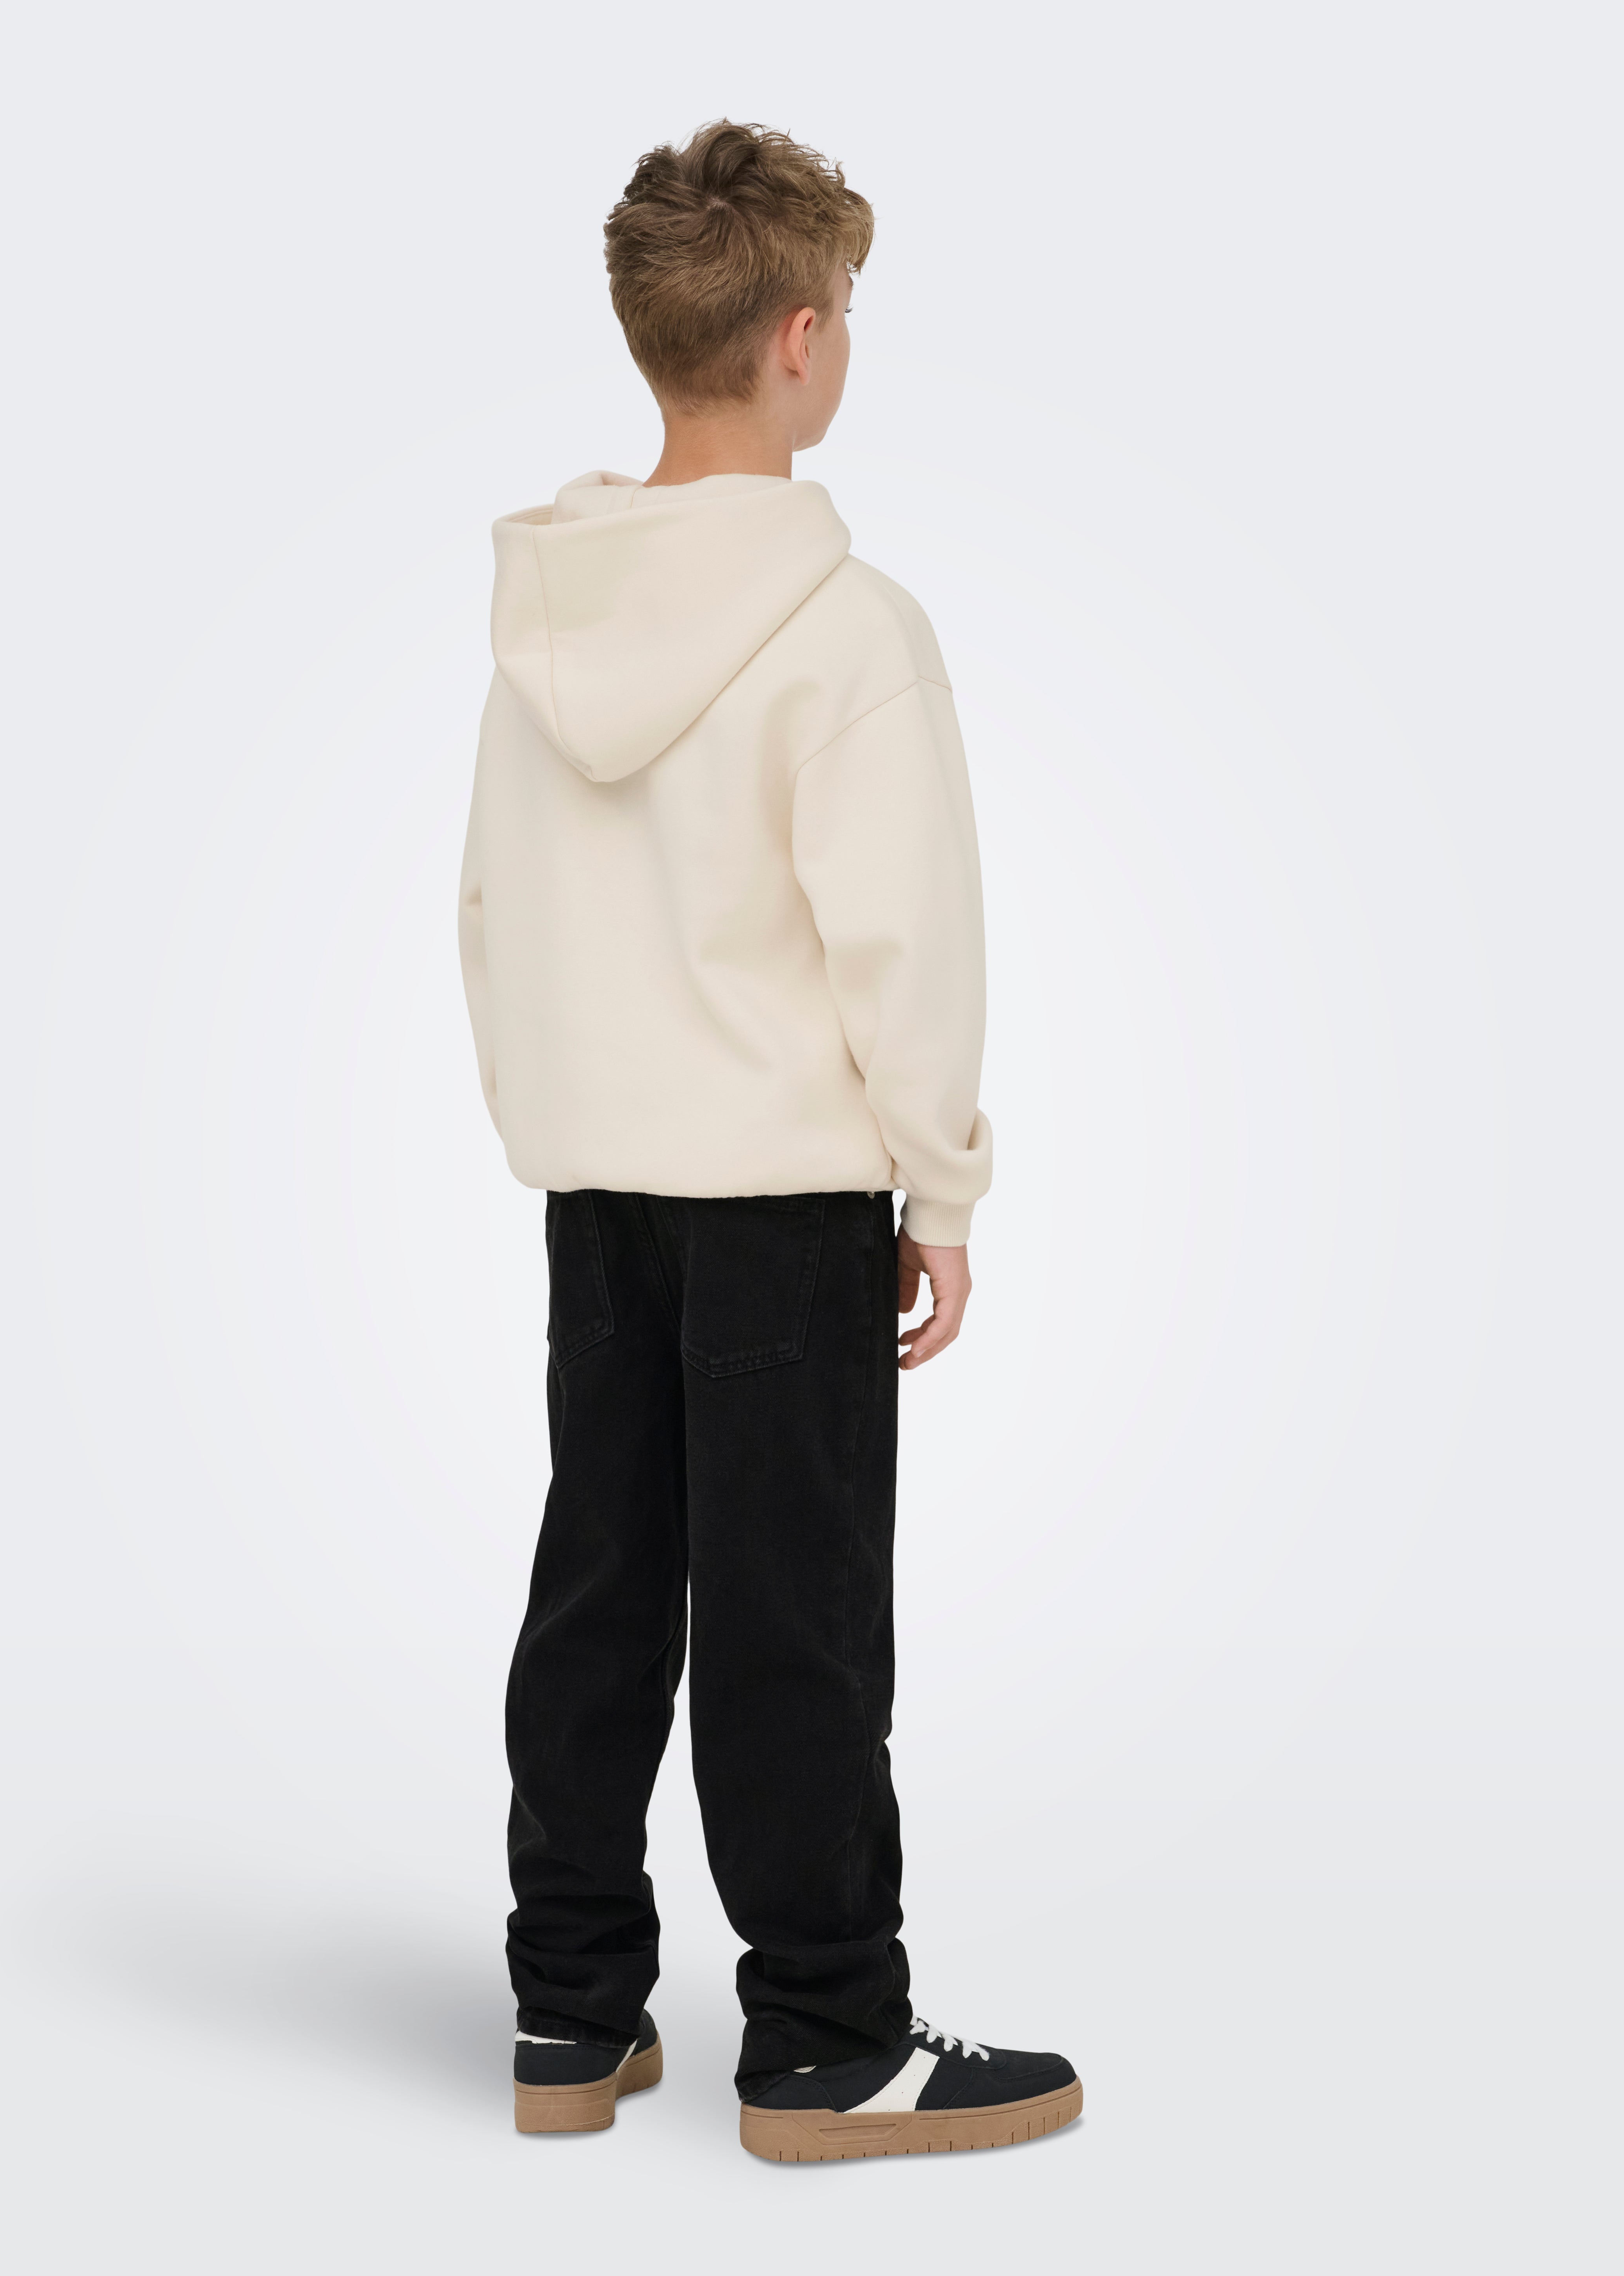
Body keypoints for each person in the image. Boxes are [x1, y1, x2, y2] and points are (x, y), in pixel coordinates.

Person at [458, 119, 1081, 2161]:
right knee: (792, 1609)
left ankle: (569, 2013)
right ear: (802, 340)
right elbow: (904, 936)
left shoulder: (546, 620)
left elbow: (492, 903)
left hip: (602, 1192)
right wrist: (941, 1181)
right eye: (851, 314)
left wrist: (557, 1114)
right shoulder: (846, 626)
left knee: (602, 1581)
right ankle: (826, 2033)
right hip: (785, 1198)